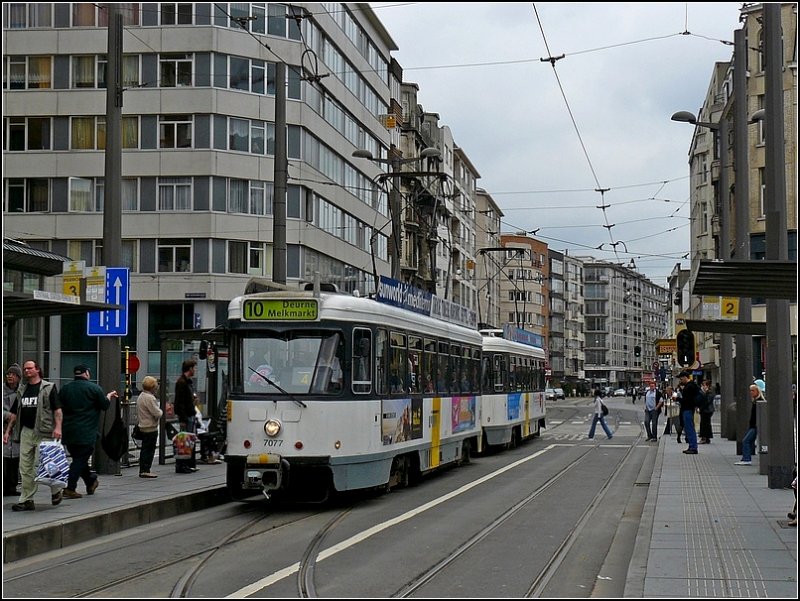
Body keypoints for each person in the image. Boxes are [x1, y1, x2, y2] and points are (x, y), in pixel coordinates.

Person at [2, 360, 63, 511]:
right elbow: (15, 414)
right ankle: (26, 499)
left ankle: (56, 490)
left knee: (42, 465)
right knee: (25, 467)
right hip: (26, 432)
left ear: (37, 370)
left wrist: (58, 428)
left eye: (30, 368)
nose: (27, 371)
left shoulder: (48, 388)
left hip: (44, 431)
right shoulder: (22, 390)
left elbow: (57, 410)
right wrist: (8, 432)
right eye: (25, 369)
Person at [58, 365, 118, 499]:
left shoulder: (65, 389)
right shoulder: (94, 388)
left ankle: (91, 481)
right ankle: (70, 487)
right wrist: (108, 396)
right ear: (86, 373)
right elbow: (104, 405)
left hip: (69, 431)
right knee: (79, 459)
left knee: (79, 459)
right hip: (87, 431)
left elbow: (58, 407)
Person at [136, 375, 163, 478]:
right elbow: (157, 413)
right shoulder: (150, 398)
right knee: (149, 449)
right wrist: (161, 411)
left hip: (142, 425)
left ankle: (143, 468)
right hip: (150, 427)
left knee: (145, 448)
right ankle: (145, 469)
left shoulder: (141, 396)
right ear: (152, 387)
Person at [3, 363, 23, 496]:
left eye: (14, 374)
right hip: (4, 429)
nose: (10, 376)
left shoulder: (22, 391)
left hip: (16, 430)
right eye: (9, 374)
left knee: (14, 459)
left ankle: (12, 486)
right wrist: (6, 415)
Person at [735, 384, 764, 465]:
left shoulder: (759, 401)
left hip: (755, 426)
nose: (751, 392)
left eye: (753, 390)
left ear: (757, 391)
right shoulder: (755, 401)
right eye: (750, 390)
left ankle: (747, 459)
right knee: (749, 441)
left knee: (746, 441)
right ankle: (746, 457)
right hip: (753, 425)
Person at [677, 370, 700, 454]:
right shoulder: (693, 385)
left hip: (687, 409)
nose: (680, 380)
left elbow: (686, 400)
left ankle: (693, 447)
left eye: (681, 378)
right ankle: (692, 446)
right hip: (689, 408)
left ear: (685, 377)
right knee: (689, 428)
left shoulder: (689, 386)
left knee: (689, 428)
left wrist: (678, 399)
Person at [174, 359, 198, 434]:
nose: (195, 370)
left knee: (189, 438)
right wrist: (182, 419)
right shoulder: (182, 383)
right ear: (190, 369)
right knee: (186, 439)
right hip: (186, 416)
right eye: (194, 368)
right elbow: (180, 401)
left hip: (190, 414)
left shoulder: (188, 382)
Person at [698, 379, 715, 444]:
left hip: (707, 410)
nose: (702, 386)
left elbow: (707, 401)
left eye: (704, 385)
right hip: (706, 410)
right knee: (706, 423)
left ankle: (704, 437)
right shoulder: (706, 392)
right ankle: (707, 438)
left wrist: (700, 408)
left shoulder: (709, 392)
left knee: (704, 424)